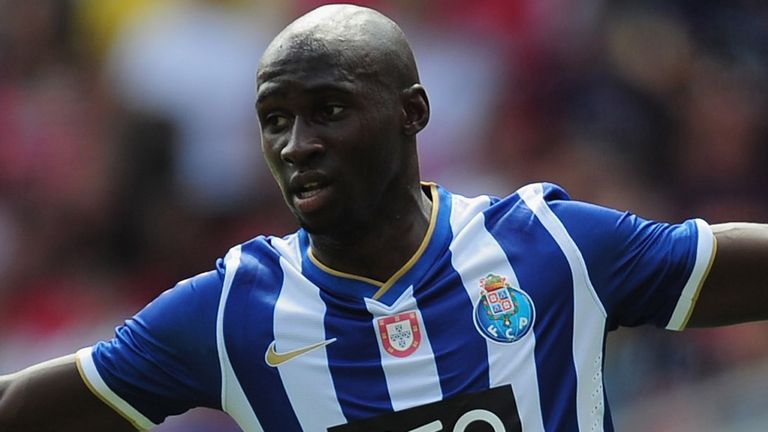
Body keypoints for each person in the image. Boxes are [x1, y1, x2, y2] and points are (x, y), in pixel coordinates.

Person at [1, 4, 767, 431]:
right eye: (275, 120)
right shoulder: (236, 309)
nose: (298, 145)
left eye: (328, 110)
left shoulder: (550, 247)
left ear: (412, 113)